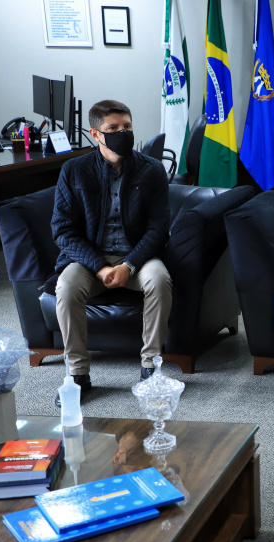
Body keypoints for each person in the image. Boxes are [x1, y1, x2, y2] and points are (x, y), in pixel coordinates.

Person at [51, 100, 171, 407]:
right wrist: (101, 267)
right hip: (91, 260)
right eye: (113, 129)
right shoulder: (74, 170)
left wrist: (129, 265)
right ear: (95, 133)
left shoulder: (152, 170)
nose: (123, 133)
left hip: (137, 257)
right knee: (66, 286)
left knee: (159, 280)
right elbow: (63, 230)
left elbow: (158, 230)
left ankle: (151, 368)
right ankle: (78, 374)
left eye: (127, 127)